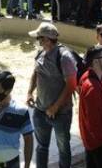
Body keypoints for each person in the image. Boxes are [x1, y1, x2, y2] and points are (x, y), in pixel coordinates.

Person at [26, 22, 77, 168]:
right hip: (40, 110)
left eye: (39, 38)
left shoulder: (64, 57)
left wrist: (55, 107)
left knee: (63, 149)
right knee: (41, 147)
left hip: (61, 113)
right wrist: (30, 92)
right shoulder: (40, 53)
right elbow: (36, 73)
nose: (38, 41)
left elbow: (71, 85)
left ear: (47, 39)